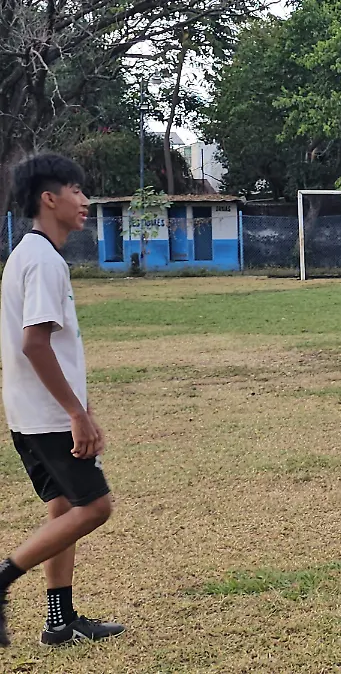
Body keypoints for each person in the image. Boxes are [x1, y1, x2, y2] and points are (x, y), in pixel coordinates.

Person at [0, 154, 124, 647]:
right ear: (48, 199)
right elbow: (35, 344)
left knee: (63, 509)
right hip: (49, 415)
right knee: (95, 508)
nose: (85, 200)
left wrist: (83, 407)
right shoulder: (44, 260)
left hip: (28, 413)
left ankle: (60, 621)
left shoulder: (27, 254)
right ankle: (3, 577)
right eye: (75, 189)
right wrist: (75, 413)